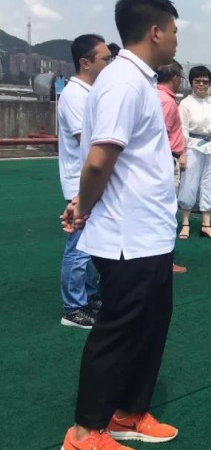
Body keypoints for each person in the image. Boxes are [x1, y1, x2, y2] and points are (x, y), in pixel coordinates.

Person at [59, 0, 181, 450]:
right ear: (155, 31)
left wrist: (81, 203)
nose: (175, 40)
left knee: (151, 326)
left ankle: (129, 412)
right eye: (174, 31)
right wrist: (84, 207)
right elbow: (97, 160)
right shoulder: (123, 83)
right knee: (118, 331)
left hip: (150, 232)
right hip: (127, 236)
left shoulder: (138, 80)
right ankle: (84, 432)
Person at [56, 34, 112, 328]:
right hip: (82, 181)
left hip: (89, 180)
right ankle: (73, 307)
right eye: (105, 59)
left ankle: (88, 296)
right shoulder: (75, 96)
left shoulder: (88, 92)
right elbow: (89, 143)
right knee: (79, 246)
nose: (109, 63)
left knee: (88, 244)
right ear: (85, 63)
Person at [177, 65, 211, 240]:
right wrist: (182, 153)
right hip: (192, 146)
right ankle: (185, 223)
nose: (201, 84)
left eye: (205, 82)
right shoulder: (185, 104)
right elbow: (182, 130)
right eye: (198, 81)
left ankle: (206, 225)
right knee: (189, 182)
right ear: (191, 82)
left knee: (210, 183)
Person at [156, 60, 188, 274]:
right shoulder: (167, 102)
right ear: (175, 79)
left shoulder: (154, 95)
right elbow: (161, 136)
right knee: (166, 212)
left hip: (166, 158)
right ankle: (163, 260)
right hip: (168, 159)